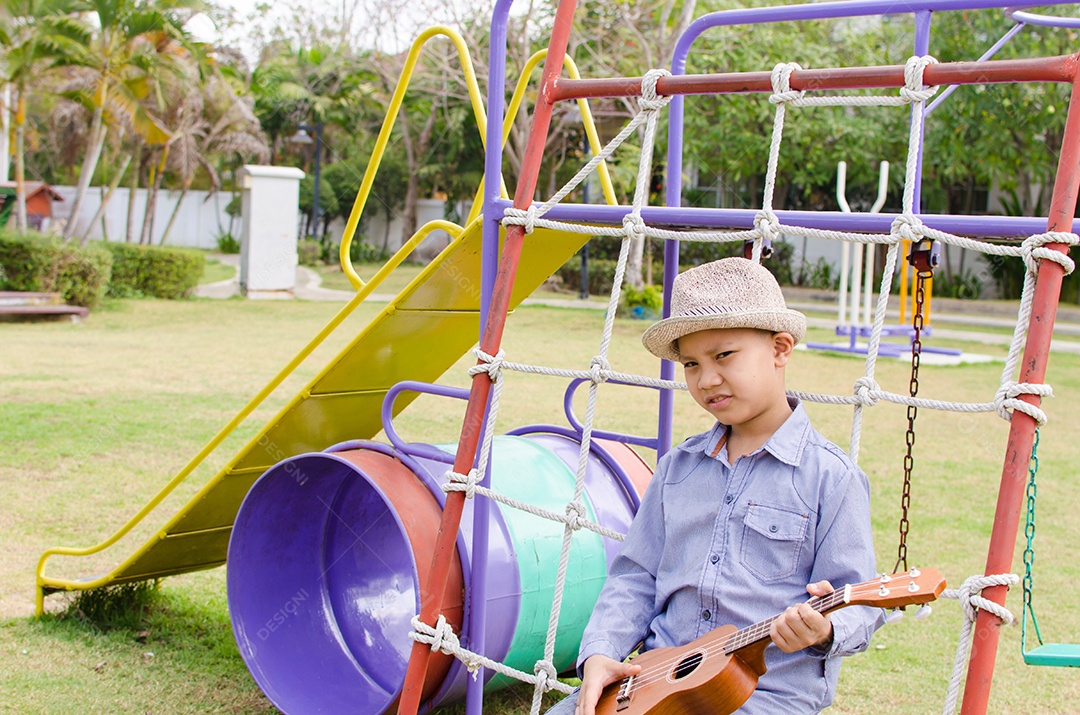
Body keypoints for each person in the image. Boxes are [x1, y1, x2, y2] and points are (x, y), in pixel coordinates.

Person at [547, 257, 884, 715]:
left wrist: (823, 629)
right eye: (691, 363)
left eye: (724, 356)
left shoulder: (831, 478)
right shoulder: (677, 468)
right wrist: (602, 651)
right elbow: (636, 576)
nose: (706, 380)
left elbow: (861, 603)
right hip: (655, 682)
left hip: (766, 698)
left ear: (781, 348)